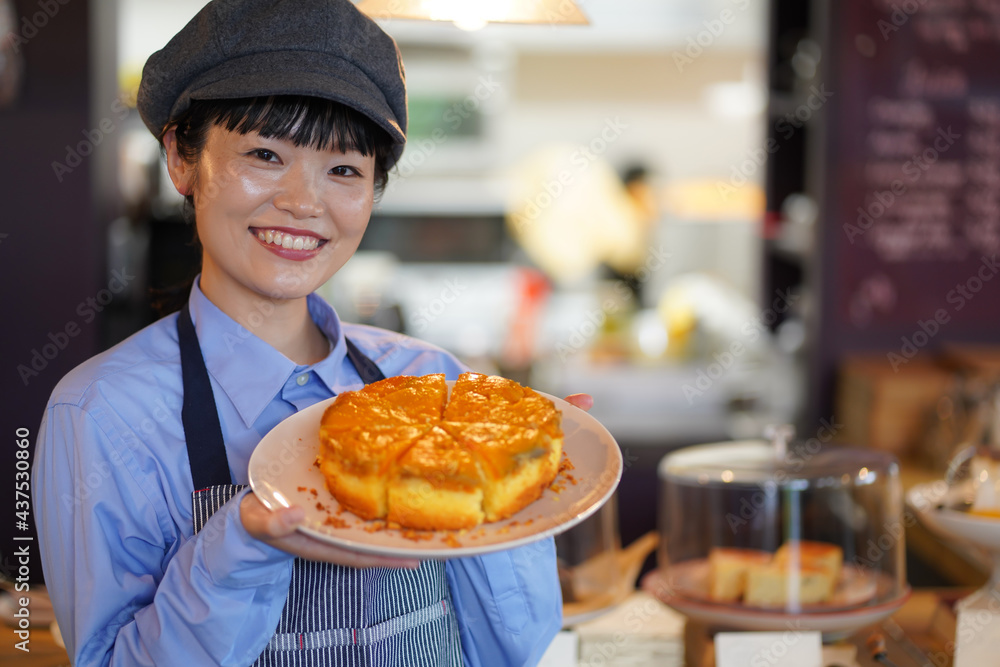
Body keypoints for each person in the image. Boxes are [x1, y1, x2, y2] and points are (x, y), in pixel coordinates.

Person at [32, 1, 591, 664]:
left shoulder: (431, 381)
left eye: (344, 170)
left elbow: (509, 649)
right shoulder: (103, 414)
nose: (304, 202)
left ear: (374, 192)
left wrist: (522, 485)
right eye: (265, 153)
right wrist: (241, 544)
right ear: (182, 160)